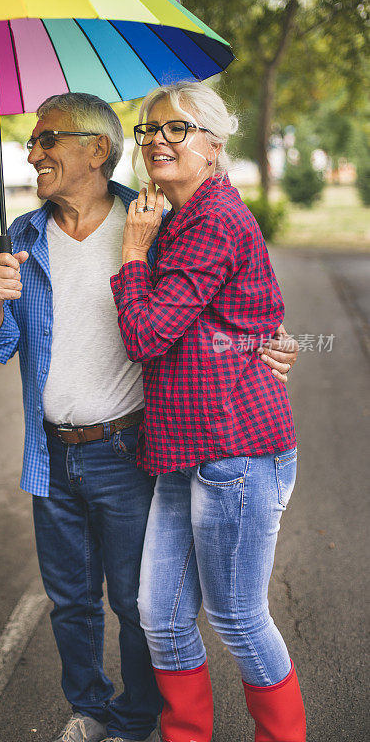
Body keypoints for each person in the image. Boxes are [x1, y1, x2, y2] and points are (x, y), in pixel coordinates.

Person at [0, 92, 299, 742]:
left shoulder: (150, 222)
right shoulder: (24, 239)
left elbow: (219, 303)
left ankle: (141, 721)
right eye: (30, 143)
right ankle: (91, 712)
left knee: (143, 604)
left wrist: (272, 340)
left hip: (131, 447)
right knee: (76, 603)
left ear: (95, 149)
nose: (32, 154)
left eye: (46, 140)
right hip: (52, 453)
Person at [110, 81, 306, 742]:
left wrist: (132, 253)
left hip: (236, 452)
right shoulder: (179, 214)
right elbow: (256, 309)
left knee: (237, 617)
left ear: (214, 146)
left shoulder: (211, 217)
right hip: (183, 449)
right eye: (148, 130)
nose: (157, 141)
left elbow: (145, 334)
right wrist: (262, 336)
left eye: (177, 129)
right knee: (160, 617)